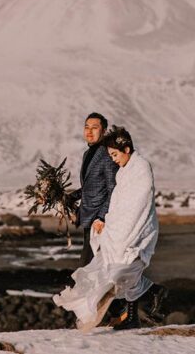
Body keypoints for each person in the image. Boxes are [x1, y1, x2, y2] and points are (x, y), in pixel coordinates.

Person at [54, 126, 165, 331]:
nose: (113, 159)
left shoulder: (141, 168)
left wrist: (123, 228)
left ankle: (152, 293)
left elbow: (140, 202)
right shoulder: (124, 172)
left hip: (137, 227)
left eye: (115, 154)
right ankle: (135, 315)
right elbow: (117, 202)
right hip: (121, 226)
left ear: (127, 150)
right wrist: (106, 220)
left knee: (123, 271)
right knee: (124, 273)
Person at [73, 112, 118, 267]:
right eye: (86, 127)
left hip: (100, 223)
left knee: (90, 267)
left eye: (94, 127)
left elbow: (113, 189)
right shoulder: (87, 154)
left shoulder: (107, 154)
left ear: (103, 131)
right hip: (87, 220)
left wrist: (102, 217)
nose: (89, 131)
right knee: (92, 267)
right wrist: (70, 197)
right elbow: (90, 187)